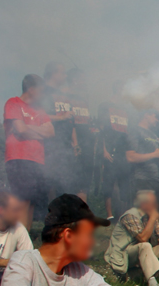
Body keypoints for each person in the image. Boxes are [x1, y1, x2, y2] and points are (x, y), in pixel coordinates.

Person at [0, 194, 129, 286]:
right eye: (88, 234)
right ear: (69, 235)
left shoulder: (81, 272)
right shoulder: (24, 260)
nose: (93, 242)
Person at [104, 190, 159, 286]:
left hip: (140, 252)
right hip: (123, 254)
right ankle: (153, 285)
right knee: (145, 245)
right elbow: (143, 238)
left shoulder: (149, 215)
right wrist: (153, 217)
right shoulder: (130, 215)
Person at [3, 74, 54, 231]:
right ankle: (18, 241)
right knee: (22, 200)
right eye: (41, 90)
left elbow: (51, 132)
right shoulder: (13, 103)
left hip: (37, 160)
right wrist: (38, 131)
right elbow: (20, 130)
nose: (44, 94)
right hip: (18, 158)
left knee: (31, 201)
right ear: (31, 90)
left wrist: (27, 128)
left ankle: (25, 239)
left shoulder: (40, 110)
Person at [39, 62, 76, 197]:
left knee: (65, 182)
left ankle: (62, 215)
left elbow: (71, 121)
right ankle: (42, 215)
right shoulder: (43, 92)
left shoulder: (65, 95)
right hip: (49, 144)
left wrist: (75, 143)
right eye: (63, 72)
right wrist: (61, 117)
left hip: (66, 145)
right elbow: (36, 116)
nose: (65, 76)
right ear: (53, 74)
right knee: (47, 180)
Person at [96, 84, 131, 220]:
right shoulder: (105, 106)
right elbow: (100, 129)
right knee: (109, 183)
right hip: (110, 150)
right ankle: (109, 215)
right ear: (117, 89)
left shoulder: (126, 109)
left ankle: (123, 215)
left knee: (124, 183)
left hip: (123, 152)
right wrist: (104, 150)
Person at [66, 68, 95, 201]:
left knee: (84, 182)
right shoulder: (66, 97)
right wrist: (74, 143)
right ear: (74, 80)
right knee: (69, 179)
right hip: (73, 143)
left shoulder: (84, 99)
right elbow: (69, 124)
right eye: (82, 79)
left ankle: (82, 215)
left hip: (87, 144)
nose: (85, 82)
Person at [126, 110, 159, 196]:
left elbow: (157, 155)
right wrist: (154, 155)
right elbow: (130, 157)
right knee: (141, 209)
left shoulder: (153, 135)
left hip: (155, 180)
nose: (157, 120)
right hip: (140, 180)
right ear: (146, 115)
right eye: (155, 116)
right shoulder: (135, 131)